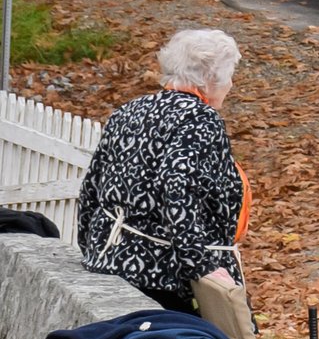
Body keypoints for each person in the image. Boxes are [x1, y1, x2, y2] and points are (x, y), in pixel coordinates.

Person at [78, 29, 250, 313]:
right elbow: (176, 188)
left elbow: (91, 186)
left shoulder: (130, 110)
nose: (230, 84)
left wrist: (91, 249)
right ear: (210, 78)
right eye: (229, 75)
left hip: (110, 261)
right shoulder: (200, 120)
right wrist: (201, 266)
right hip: (164, 280)